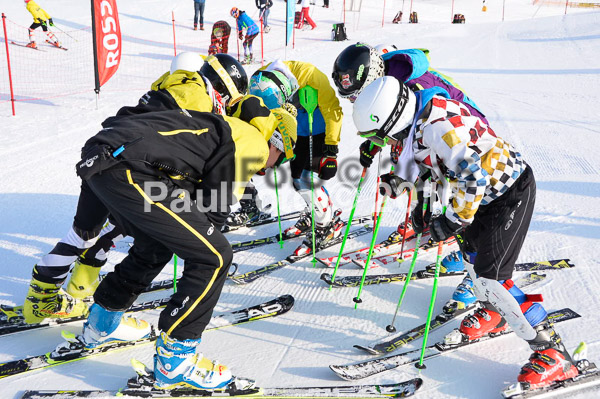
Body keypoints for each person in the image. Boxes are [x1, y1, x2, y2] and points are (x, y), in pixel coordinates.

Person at [352, 75, 579, 391]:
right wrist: (407, 188)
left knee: (492, 277)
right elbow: (426, 167)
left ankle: (553, 351)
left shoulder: (438, 127)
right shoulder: (414, 120)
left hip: (507, 191)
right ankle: (496, 311)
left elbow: (472, 177)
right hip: (477, 198)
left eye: (379, 137)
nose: (383, 145)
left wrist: (451, 221)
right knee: (472, 263)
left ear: (391, 120)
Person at [63, 98, 296, 390]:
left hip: (106, 160)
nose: (269, 169)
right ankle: (176, 360)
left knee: (156, 244)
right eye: (282, 159)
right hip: (130, 167)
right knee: (215, 257)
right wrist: (204, 239)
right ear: (277, 142)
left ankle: (101, 323)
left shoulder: (223, 128)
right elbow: (215, 208)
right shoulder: (254, 142)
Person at [21, 52, 255, 323]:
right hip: (130, 170)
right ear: (223, 89)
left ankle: (42, 299)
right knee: (122, 229)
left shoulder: (169, 85)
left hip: (101, 156)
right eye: (228, 100)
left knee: (83, 234)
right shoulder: (197, 96)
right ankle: (81, 291)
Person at [332, 42, 488, 271]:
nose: (356, 102)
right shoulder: (388, 82)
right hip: (438, 135)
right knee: (410, 164)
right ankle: (427, 217)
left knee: (458, 185)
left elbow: (418, 143)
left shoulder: (411, 86)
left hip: (467, 136)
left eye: (357, 96)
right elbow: (391, 129)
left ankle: (470, 248)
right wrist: (373, 145)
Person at [238, 59, 343, 255]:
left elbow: (333, 110)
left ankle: (326, 226)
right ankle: (314, 212)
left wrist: (331, 150)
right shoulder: (259, 81)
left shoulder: (311, 76)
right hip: (294, 129)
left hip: (317, 126)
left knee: (306, 179)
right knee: (297, 178)